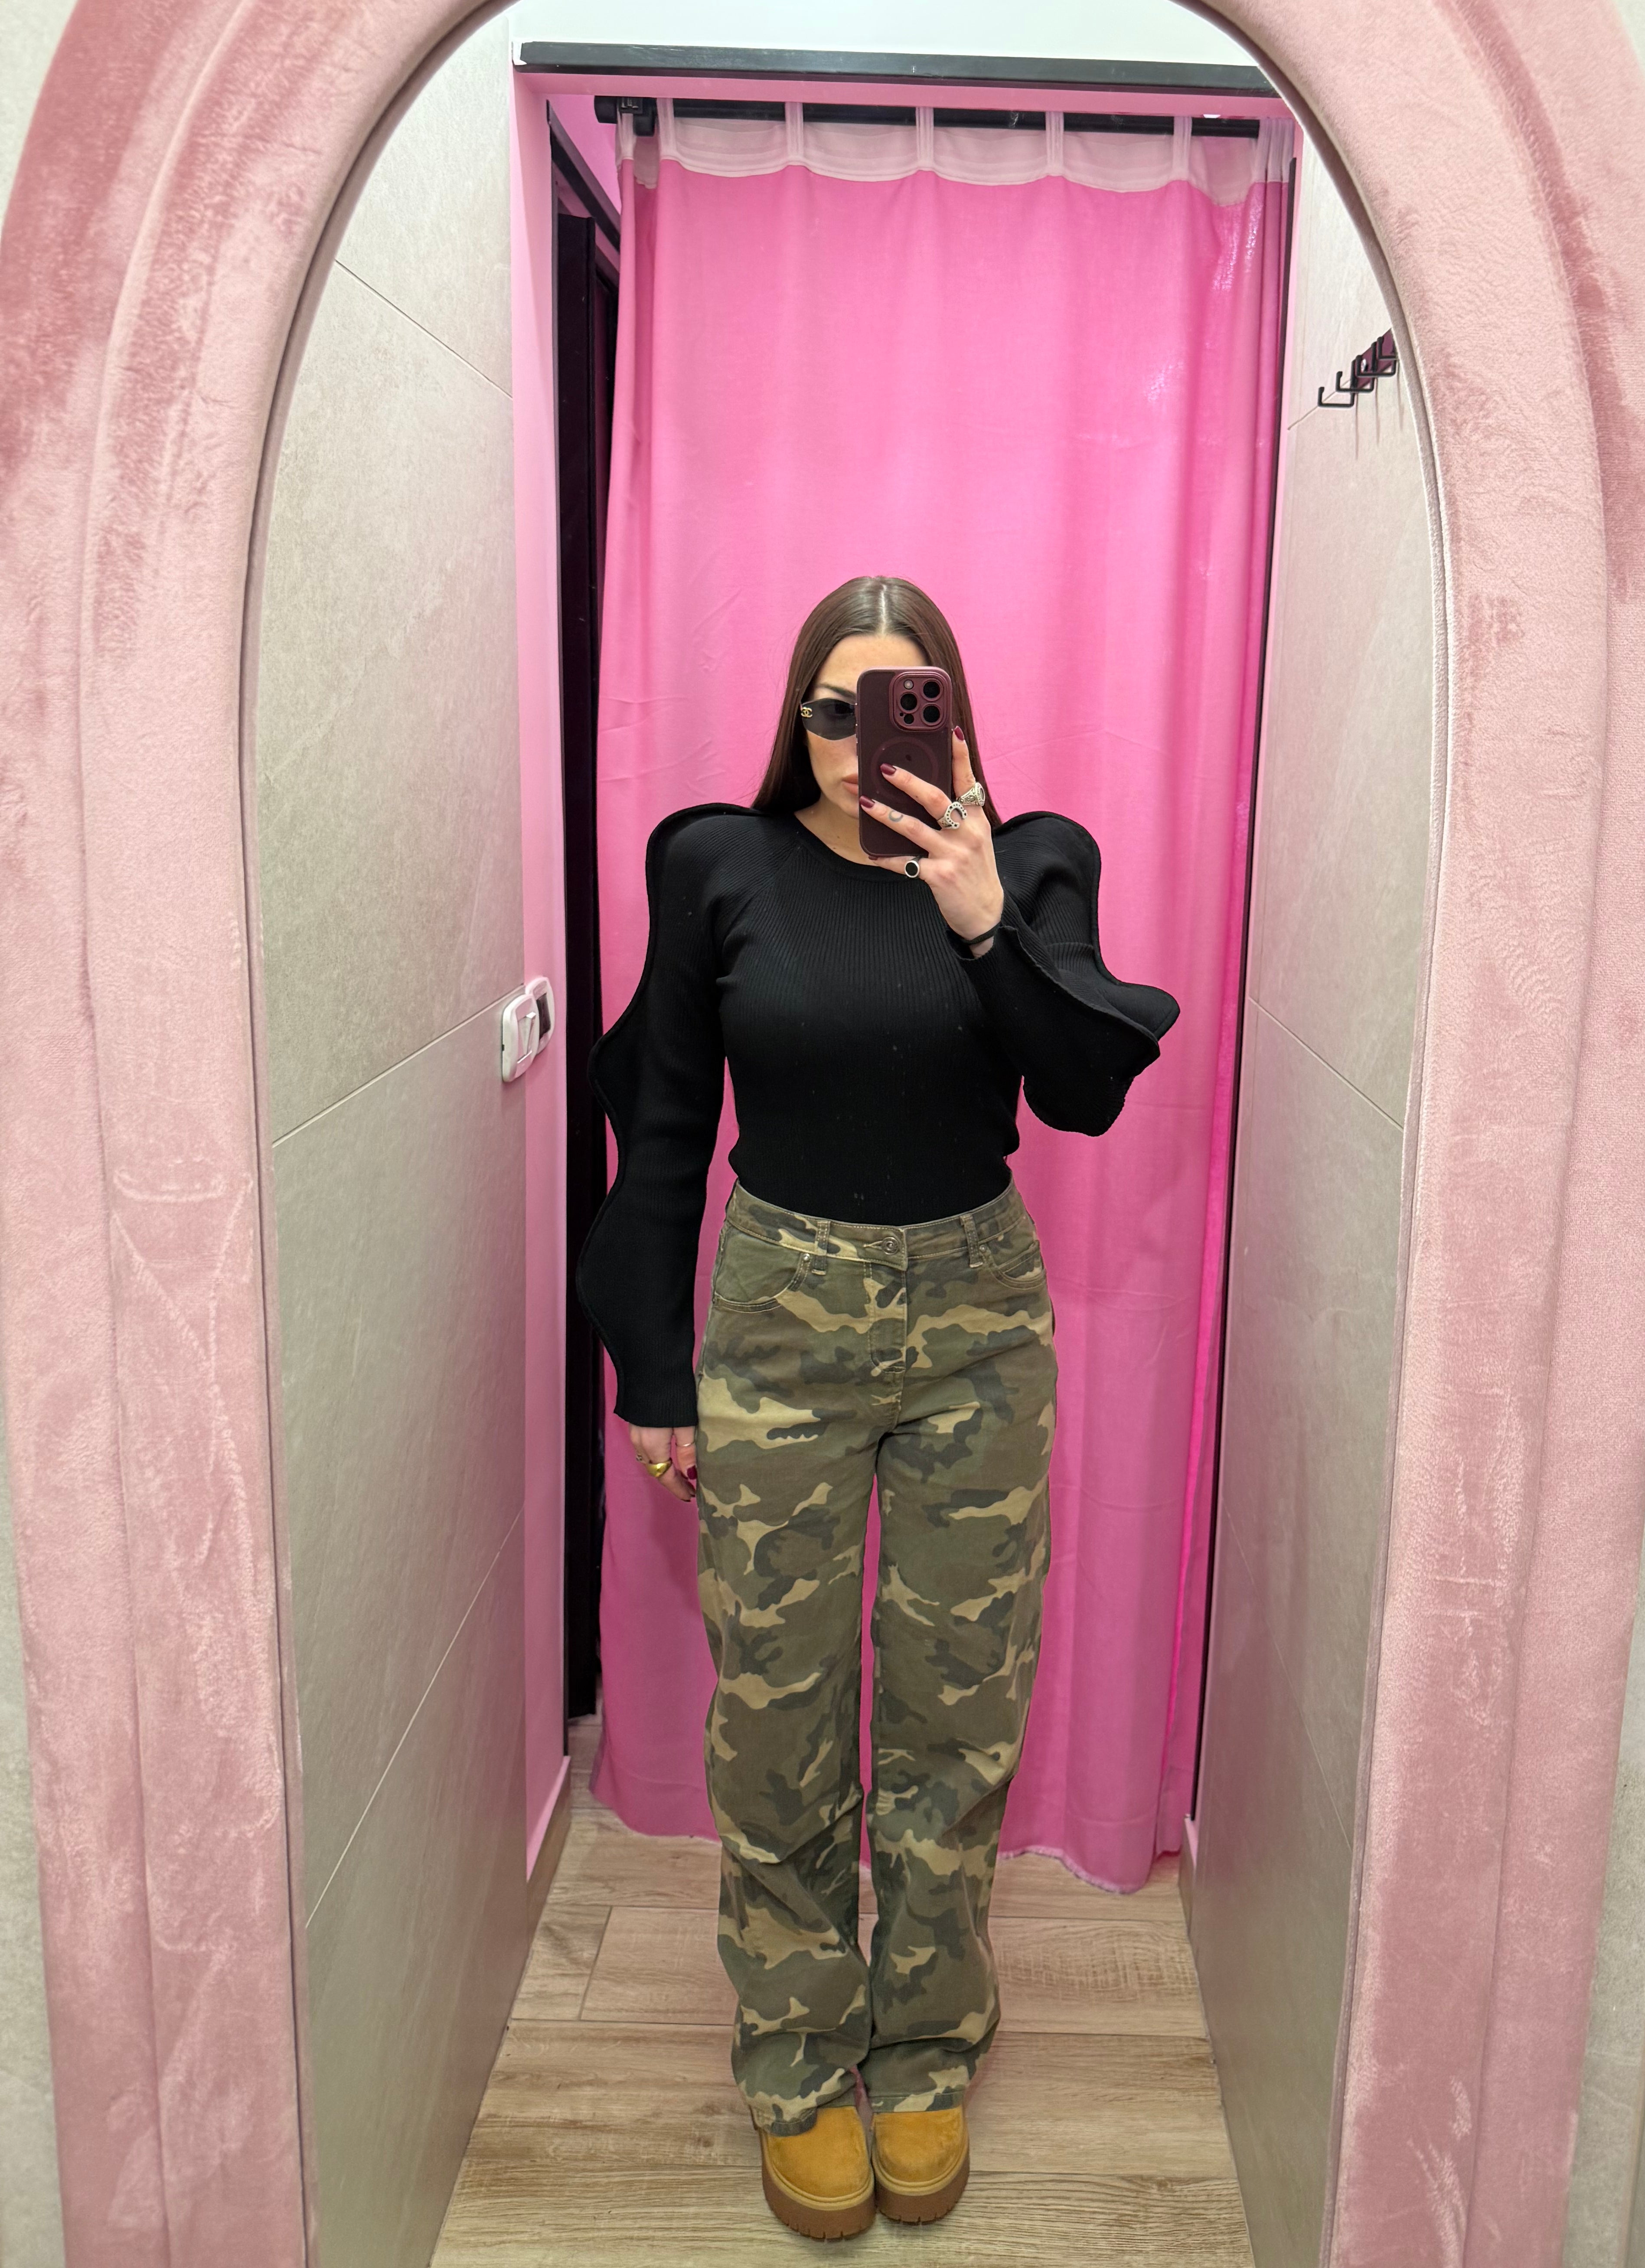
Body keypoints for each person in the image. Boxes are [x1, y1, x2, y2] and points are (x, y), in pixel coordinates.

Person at [575, 574, 1178, 2240]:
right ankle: (793, 2058)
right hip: (780, 1320)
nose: (864, 742)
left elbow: (1082, 1092)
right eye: (836, 709)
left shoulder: (1031, 861)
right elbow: (665, 1123)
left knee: (952, 1715)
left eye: (902, 706)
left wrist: (981, 914)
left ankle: (921, 2049)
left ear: (952, 718)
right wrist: (652, 1368)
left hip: (977, 1324)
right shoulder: (719, 865)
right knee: (778, 1715)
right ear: (800, 717)